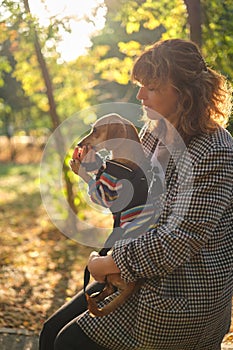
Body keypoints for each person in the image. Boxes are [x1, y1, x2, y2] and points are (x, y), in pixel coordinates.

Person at [40, 38, 233, 350]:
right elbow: (124, 199)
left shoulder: (215, 150)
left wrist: (109, 263)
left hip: (179, 292)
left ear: (186, 93)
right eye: (142, 85)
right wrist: (92, 172)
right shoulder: (153, 134)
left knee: (68, 343)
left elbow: (177, 241)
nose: (141, 95)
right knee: (51, 333)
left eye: (152, 87)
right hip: (136, 272)